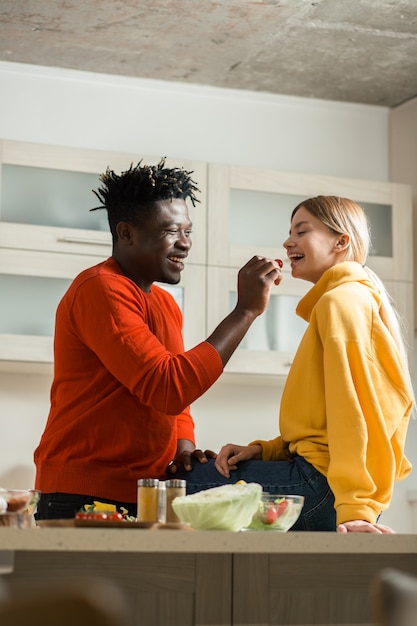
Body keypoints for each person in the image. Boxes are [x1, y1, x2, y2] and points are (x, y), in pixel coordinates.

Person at [34, 158, 282, 520]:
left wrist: (183, 449)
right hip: (82, 494)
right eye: (170, 231)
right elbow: (167, 386)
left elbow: (176, 404)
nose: (184, 244)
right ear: (126, 233)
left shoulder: (165, 302)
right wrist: (244, 311)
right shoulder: (101, 289)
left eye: (188, 231)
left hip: (148, 492)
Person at [175, 195, 415, 533]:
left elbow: (355, 413)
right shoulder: (353, 299)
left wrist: (355, 509)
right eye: (289, 232)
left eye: (301, 232)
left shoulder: (340, 303)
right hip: (329, 487)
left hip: (321, 490)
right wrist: (264, 451)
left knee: (172, 486)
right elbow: (327, 426)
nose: (288, 242)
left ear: (341, 242)